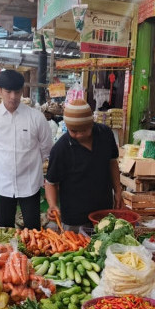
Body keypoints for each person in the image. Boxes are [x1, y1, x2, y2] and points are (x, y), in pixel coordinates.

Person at [0, 70, 53, 229]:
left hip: (30, 183)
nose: (13, 96)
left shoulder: (36, 117)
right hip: (3, 183)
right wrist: (4, 163)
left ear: (22, 91)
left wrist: (30, 164)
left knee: (33, 230)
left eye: (17, 92)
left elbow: (46, 147)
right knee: (4, 229)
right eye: (8, 91)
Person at [45, 99, 123, 231]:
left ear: (92, 123)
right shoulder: (61, 149)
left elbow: (112, 162)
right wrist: (52, 205)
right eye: (73, 131)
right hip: (75, 217)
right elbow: (51, 183)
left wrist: (118, 190)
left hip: (103, 212)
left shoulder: (105, 134)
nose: (79, 135)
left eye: (84, 130)